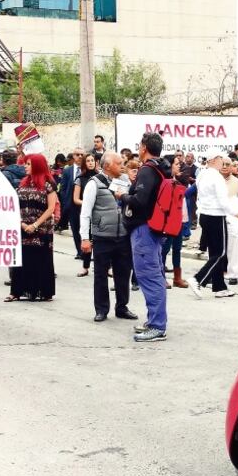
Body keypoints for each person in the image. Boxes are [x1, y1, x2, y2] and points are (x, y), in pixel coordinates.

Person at [119, 132, 173, 341]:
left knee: (149, 277)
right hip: (155, 228)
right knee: (154, 275)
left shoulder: (147, 170)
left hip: (144, 229)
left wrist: (122, 196)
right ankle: (153, 321)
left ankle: (158, 326)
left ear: (143, 148)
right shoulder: (162, 168)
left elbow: (140, 201)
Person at [80, 152, 136, 322]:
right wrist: (84, 238)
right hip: (102, 236)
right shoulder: (94, 183)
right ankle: (102, 309)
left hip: (123, 235)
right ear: (107, 166)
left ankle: (122, 307)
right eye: (119, 163)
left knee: (123, 273)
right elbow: (85, 212)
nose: (122, 166)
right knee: (100, 274)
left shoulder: (126, 181)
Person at [192, 154, 238, 299]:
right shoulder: (216, 177)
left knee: (214, 252)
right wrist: (236, 213)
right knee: (220, 253)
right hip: (216, 216)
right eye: (221, 159)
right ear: (214, 160)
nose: (223, 162)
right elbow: (223, 201)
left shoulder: (202, 174)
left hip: (204, 215)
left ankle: (219, 286)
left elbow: (199, 196)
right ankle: (198, 279)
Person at [7, 153, 57, 302]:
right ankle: (16, 292)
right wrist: (22, 224)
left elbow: (51, 208)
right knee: (22, 260)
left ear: (37, 165)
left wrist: (35, 225)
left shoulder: (49, 184)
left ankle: (42, 291)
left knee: (41, 260)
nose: (25, 166)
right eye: (25, 164)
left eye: (28, 164)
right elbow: (14, 206)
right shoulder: (22, 183)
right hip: (23, 227)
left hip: (42, 229)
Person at [160, 155, 190, 289]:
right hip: (168, 222)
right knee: (165, 250)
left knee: (177, 248)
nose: (179, 166)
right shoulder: (165, 181)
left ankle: (177, 278)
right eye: (176, 164)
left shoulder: (177, 181)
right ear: (169, 165)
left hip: (179, 219)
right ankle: (161, 277)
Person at [221, 156, 238, 285]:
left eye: (227, 164)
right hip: (218, 215)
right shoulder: (216, 180)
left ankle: (233, 274)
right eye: (223, 164)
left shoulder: (236, 182)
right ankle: (216, 272)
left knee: (234, 245)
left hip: (233, 217)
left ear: (231, 167)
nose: (224, 166)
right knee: (217, 247)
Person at [73, 153, 99, 277]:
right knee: (87, 239)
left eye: (92, 160)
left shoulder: (100, 177)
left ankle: (105, 267)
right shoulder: (80, 178)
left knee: (100, 240)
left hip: (99, 213)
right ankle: (85, 266)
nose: (90, 163)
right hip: (86, 213)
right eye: (88, 161)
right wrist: (88, 203)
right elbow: (75, 199)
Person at [60, 148, 83, 250]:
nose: (80, 157)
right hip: (71, 204)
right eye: (77, 154)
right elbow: (63, 188)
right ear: (73, 156)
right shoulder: (67, 171)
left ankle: (86, 251)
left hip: (83, 203)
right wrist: (66, 202)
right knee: (75, 228)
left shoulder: (86, 170)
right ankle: (79, 251)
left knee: (85, 229)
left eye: (82, 155)